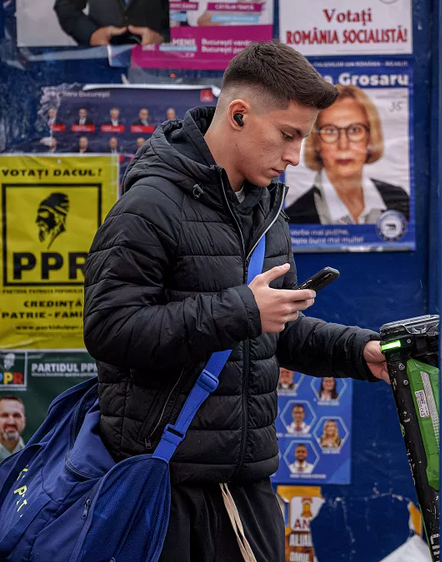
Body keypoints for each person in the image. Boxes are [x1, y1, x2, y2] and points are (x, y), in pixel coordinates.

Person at [82, 41, 389, 562]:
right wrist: (242, 310)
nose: (296, 156)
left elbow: (275, 328)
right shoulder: (150, 203)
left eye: (302, 139)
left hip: (246, 485)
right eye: (288, 135)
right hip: (162, 486)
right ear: (239, 115)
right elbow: (109, 328)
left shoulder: (267, 208)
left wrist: (360, 352)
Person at [285, 85, 409, 225]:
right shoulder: (295, 217)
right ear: (317, 142)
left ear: (369, 138)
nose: (343, 145)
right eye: (330, 131)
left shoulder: (400, 200)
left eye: (355, 130)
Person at [54, 0, 166, 46]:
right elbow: (66, 6)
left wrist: (164, 39)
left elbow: (182, 11)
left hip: (159, 67)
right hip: (101, 63)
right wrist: (91, 34)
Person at [0, 396, 25, 462]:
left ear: (24, 421)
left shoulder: (36, 455)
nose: (11, 422)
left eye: (16, 416)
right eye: (4, 415)